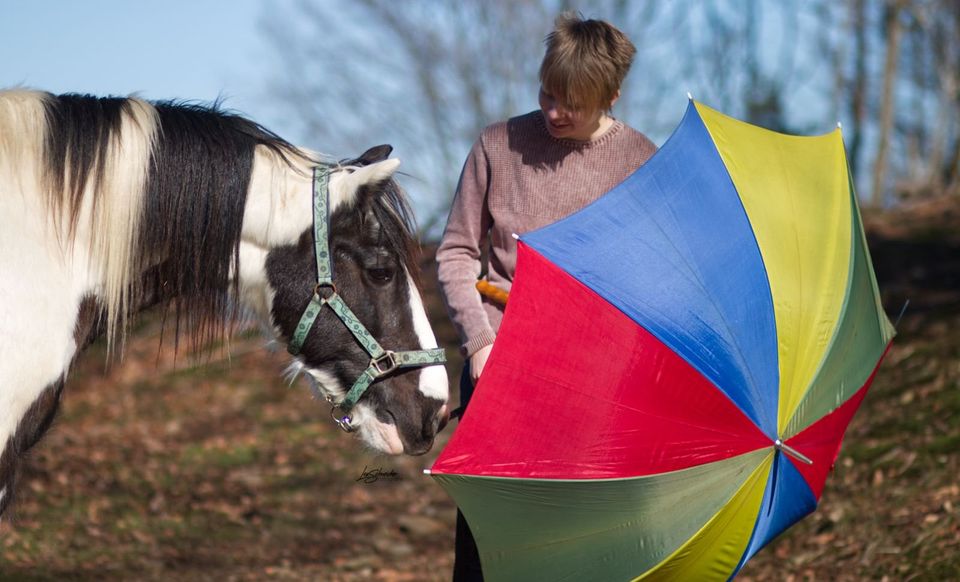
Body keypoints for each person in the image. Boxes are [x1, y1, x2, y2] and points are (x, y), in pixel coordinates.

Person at [436, 12, 657, 581]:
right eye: (547, 94)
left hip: (595, 380)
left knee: (582, 544)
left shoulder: (638, 161)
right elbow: (457, 252)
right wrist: (481, 342)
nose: (554, 112)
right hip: (500, 370)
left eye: (572, 104)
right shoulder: (496, 146)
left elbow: (654, 275)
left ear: (611, 96)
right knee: (489, 547)